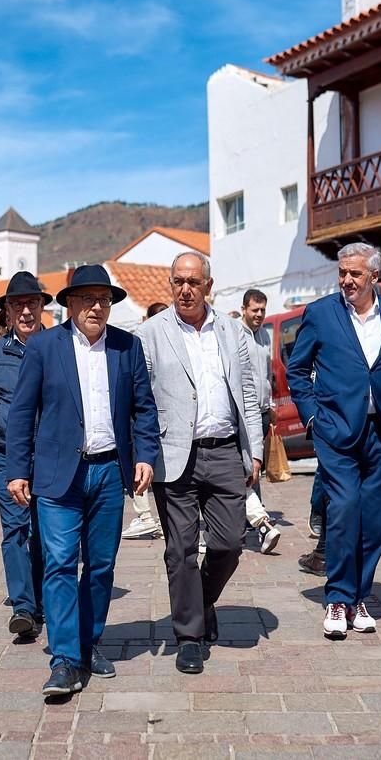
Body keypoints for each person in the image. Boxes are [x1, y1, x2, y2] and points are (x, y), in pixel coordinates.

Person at [7, 263, 159, 696]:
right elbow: (21, 413)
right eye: (88, 299)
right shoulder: (44, 347)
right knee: (58, 563)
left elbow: (144, 408)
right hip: (58, 476)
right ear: (69, 304)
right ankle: (64, 660)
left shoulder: (127, 347)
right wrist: (18, 469)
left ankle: (89, 643)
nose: (97, 306)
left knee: (101, 566)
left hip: (110, 471)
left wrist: (145, 455)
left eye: (105, 300)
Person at [286, 242, 381, 639]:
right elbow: (298, 369)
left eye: (355, 274)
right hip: (336, 432)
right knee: (343, 511)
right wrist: (312, 417)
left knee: (374, 521)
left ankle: (359, 596)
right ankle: (337, 598)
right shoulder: (321, 314)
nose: (346, 280)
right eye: (342, 273)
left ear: (374, 277)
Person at [138, 253, 262, 674]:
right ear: (171, 285)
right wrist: (143, 454)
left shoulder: (231, 331)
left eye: (194, 281)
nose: (185, 289)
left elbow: (247, 391)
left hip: (226, 450)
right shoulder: (151, 333)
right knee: (181, 549)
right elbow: (142, 399)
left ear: (209, 285)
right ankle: (189, 635)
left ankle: (203, 600)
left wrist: (255, 450)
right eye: (178, 282)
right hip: (174, 455)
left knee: (230, 542)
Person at [0, 271, 51, 638]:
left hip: (51, 457)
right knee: (15, 529)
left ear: (42, 306)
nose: (26, 311)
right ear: (7, 312)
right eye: (18, 305)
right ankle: (23, 606)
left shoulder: (59, 347)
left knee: (46, 532)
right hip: (5, 456)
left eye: (32, 303)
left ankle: (44, 598)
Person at [238, 288, 281, 554]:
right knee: (244, 468)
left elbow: (266, 373)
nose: (259, 315)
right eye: (255, 310)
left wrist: (272, 404)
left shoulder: (265, 335)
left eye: (263, 310)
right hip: (244, 413)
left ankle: (255, 520)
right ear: (244, 308)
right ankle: (253, 521)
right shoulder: (234, 334)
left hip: (263, 411)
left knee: (256, 469)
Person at [122, 300, 170, 540]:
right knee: (144, 466)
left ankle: (148, 517)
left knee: (148, 467)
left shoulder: (163, 340)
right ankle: (149, 517)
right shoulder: (140, 341)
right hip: (148, 416)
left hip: (156, 417)